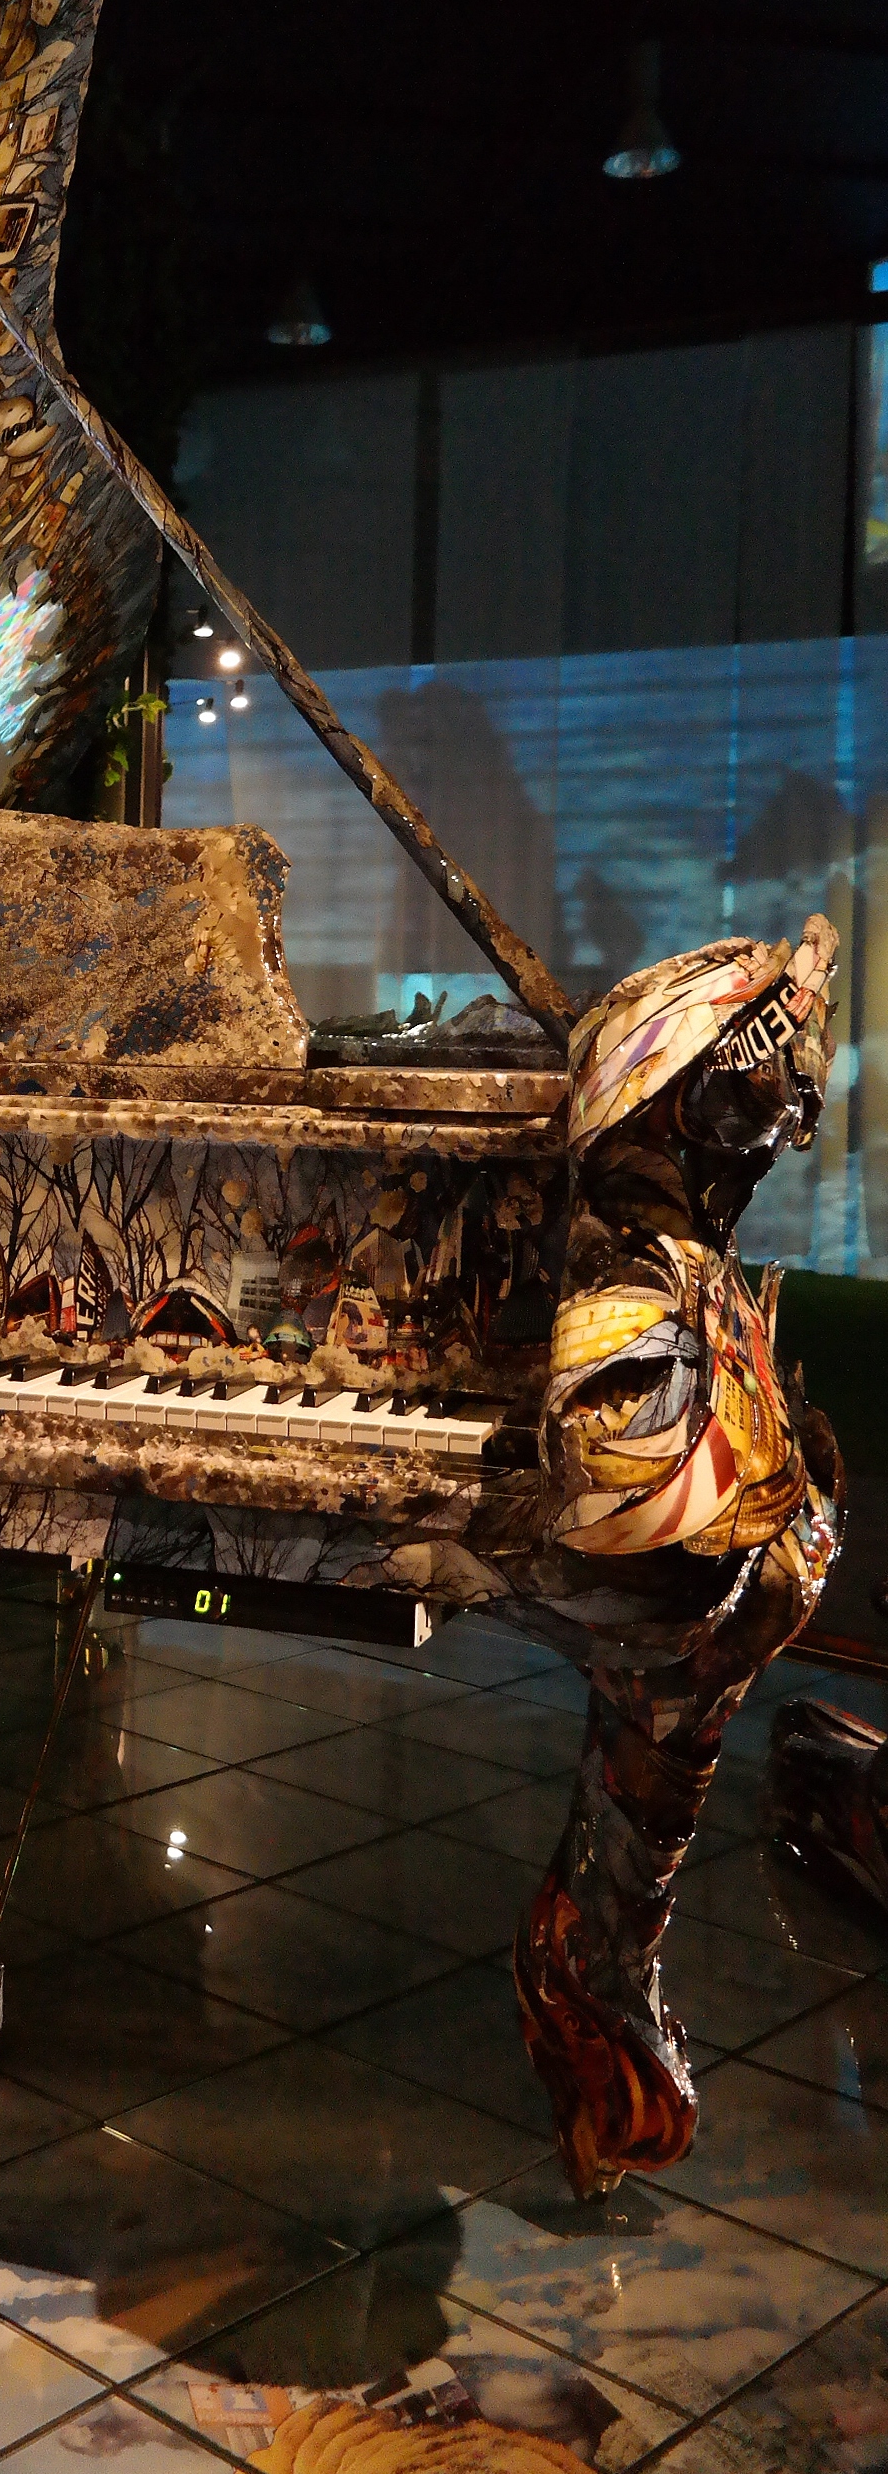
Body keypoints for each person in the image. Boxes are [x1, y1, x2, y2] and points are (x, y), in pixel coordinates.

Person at [512, 917, 846, 2196]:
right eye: (766, 1101)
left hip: (677, 1591)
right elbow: (644, 1540)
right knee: (662, 1729)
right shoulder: (634, 1289)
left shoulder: (671, 1259)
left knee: (656, 1754)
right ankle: (594, 1987)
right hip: (669, 1571)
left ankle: (599, 1984)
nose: (787, 1126)